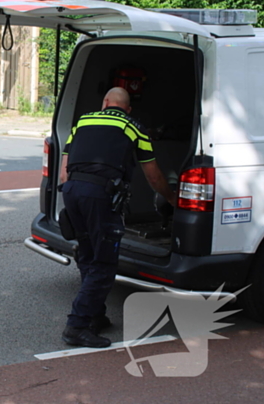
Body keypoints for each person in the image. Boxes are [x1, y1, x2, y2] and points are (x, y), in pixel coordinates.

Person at [58, 87, 175, 348]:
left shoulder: (83, 121)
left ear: (105, 103)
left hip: (72, 192)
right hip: (99, 196)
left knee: (87, 254)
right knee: (104, 264)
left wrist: (75, 193)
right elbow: (153, 177)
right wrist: (172, 199)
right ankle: (76, 327)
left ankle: (94, 315)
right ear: (128, 109)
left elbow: (64, 171)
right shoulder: (134, 127)